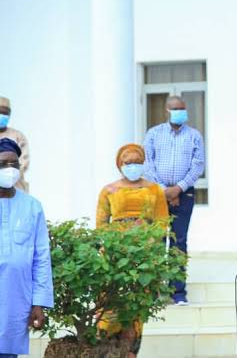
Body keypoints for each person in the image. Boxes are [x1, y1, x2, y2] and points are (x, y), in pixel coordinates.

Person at [96, 143, 169, 358]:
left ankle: (130, 353)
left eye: (138, 162)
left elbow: (162, 223)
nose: (133, 166)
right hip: (114, 257)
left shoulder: (155, 189)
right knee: (108, 308)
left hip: (143, 257)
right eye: (129, 163)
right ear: (120, 165)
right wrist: (113, 244)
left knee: (136, 311)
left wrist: (149, 247)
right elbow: (100, 225)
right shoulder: (108, 190)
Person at [143, 96, 205, 305]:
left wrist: (178, 189)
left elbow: (198, 165)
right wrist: (164, 191)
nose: (179, 111)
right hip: (157, 194)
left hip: (184, 195)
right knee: (157, 241)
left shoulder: (194, 136)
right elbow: (147, 163)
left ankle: (178, 293)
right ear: (166, 111)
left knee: (179, 242)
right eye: (174, 108)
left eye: (182, 108)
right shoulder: (153, 134)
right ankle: (153, 291)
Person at [0, 138, 53, 358]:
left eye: (14, 164)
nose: (9, 169)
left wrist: (39, 303)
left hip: (15, 299)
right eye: (3, 164)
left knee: (7, 353)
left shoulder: (32, 206)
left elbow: (41, 257)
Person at [0, 97, 30, 192]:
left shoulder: (17, 136)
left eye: (5, 113)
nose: (2, 115)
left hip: (15, 187)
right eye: (0, 112)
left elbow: (23, 162)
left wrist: (7, 175)